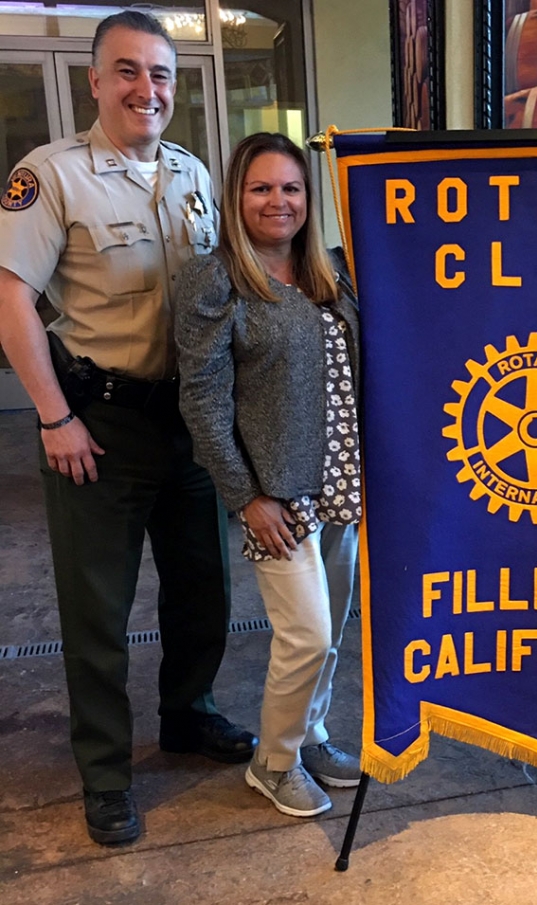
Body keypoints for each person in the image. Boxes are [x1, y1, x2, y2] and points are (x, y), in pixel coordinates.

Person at [0, 11, 256, 846]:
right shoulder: (51, 176)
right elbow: (12, 304)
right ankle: (106, 773)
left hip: (187, 420)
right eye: (129, 72)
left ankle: (189, 715)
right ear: (96, 81)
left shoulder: (190, 174)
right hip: (97, 426)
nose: (148, 89)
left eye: (161, 75)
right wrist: (54, 416)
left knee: (204, 591)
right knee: (99, 611)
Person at [175, 133, 363, 819]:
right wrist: (245, 495)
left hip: (342, 478)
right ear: (236, 196)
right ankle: (272, 760)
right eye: (261, 188)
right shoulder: (214, 279)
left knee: (334, 628)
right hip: (276, 494)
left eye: (291, 188)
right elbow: (200, 398)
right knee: (305, 632)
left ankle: (311, 733)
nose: (278, 201)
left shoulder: (331, 274)